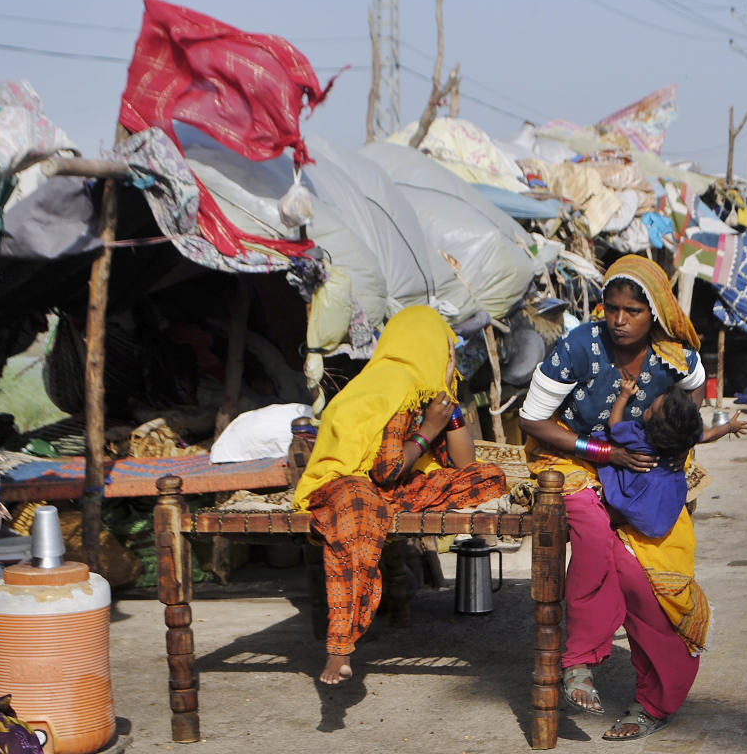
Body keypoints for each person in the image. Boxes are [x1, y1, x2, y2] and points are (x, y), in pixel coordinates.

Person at [518, 254, 711, 741]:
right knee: (592, 530)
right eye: (611, 308)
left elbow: (695, 397)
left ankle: (656, 700)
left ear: (657, 314)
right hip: (571, 458)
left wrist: (664, 447)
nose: (619, 320)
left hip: (641, 468)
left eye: (633, 311)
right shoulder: (581, 344)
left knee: (650, 585)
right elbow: (532, 420)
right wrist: (606, 451)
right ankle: (580, 659)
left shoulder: (676, 354)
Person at [293, 305, 507, 685]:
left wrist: (448, 413)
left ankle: (342, 641)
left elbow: (463, 465)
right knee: (360, 518)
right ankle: (338, 647)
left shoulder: (424, 389)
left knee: (488, 477)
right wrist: (429, 428)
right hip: (346, 480)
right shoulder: (395, 384)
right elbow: (386, 469)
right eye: (446, 349)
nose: (450, 358)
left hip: (387, 483)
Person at [599, 381, 745, 539]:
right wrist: (730, 426)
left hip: (639, 492)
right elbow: (708, 435)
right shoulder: (683, 437)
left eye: (650, 409)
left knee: (615, 508)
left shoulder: (639, 440)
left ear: (652, 422)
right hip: (666, 497)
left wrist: (624, 395)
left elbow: (614, 424)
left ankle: (610, 517)